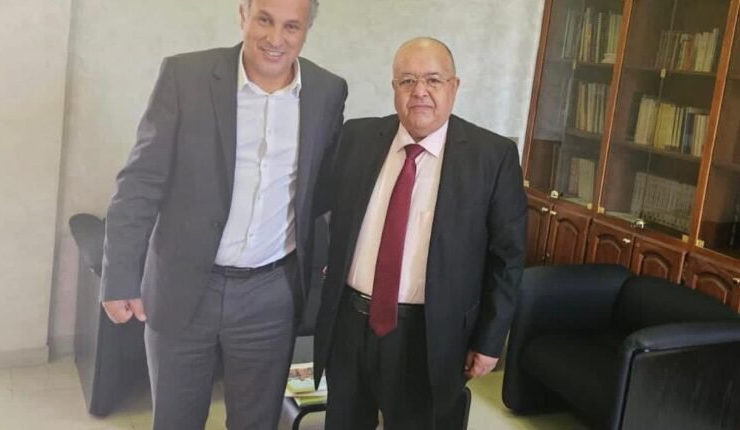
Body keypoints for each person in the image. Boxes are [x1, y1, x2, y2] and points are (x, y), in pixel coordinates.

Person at [100, 0, 347, 428]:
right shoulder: (186, 77)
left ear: (306, 30)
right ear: (243, 14)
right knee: (176, 420)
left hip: (271, 295)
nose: (275, 38)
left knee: (256, 422)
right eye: (264, 20)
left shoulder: (327, 91)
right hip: (183, 285)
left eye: (291, 26)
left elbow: (320, 186)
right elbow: (140, 182)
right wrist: (120, 274)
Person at [314, 37, 526, 430]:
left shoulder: (491, 156)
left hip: (430, 335)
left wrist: (490, 339)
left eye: (433, 80)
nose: (420, 92)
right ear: (394, 87)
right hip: (350, 326)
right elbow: (317, 206)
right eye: (407, 81)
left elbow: (507, 257)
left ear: (454, 87)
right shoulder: (356, 137)